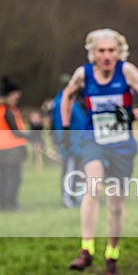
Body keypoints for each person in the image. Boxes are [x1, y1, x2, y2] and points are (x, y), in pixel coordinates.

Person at [60, 28, 138, 275]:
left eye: (111, 50)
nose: (107, 56)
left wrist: (132, 115)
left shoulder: (127, 72)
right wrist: (63, 128)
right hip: (93, 140)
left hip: (121, 146)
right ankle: (86, 249)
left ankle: (112, 256)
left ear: (119, 52)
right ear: (92, 54)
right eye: (101, 51)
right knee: (92, 187)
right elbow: (67, 96)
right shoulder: (82, 75)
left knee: (116, 206)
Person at [0, 77, 29, 211]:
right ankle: (11, 204)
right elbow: (15, 131)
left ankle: (3, 205)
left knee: (2, 178)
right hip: (12, 148)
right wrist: (30, 136)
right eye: (16, 92)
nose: (18, 95)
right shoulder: (7, 110)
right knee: (14, 178)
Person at [51, 74, 87, 208]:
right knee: (70, 171)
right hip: (70, 144)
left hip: (79, 143)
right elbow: (60, 124)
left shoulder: (75, 101)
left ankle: (78, 197)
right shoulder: (61, 102)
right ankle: (67, 198)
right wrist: (64, 140)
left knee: (79, 172)